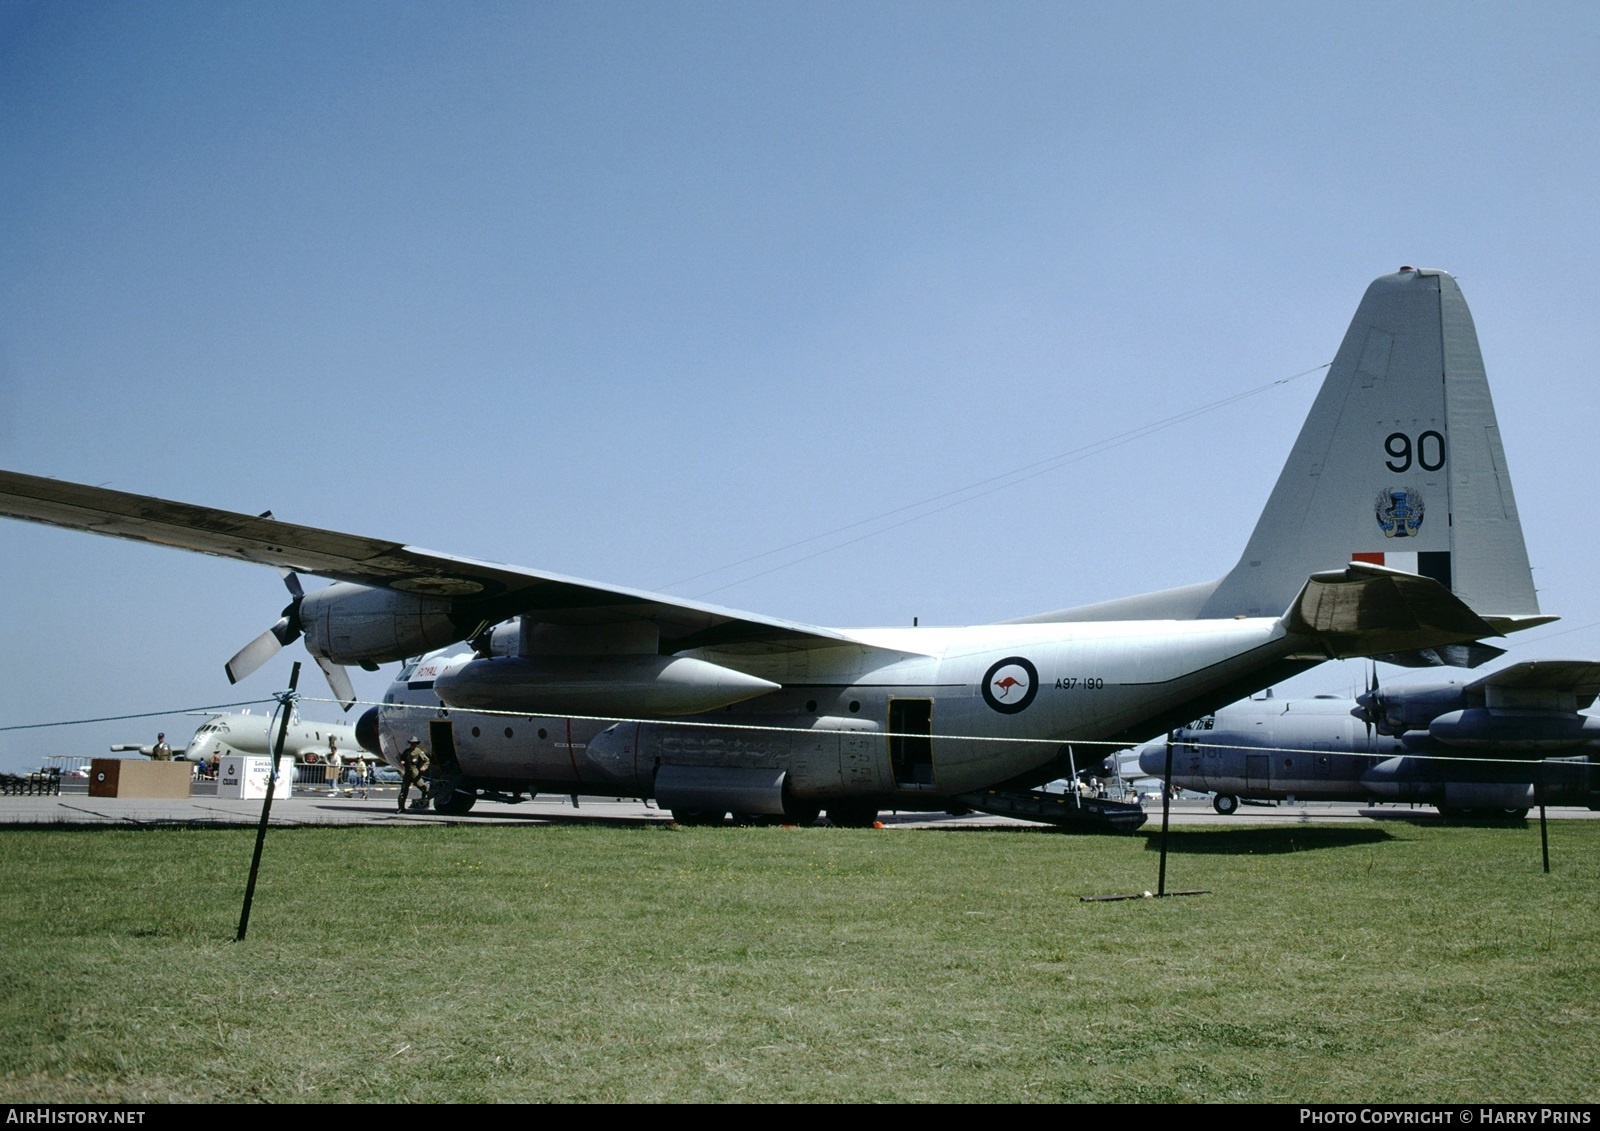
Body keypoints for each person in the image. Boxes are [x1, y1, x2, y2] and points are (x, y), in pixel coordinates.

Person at [398, 737, 430, 812]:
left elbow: (427, 760)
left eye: (414, 743)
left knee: (423, 787)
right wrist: (402, 761)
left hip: (415, 772)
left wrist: (424, 767)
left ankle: (424, 798)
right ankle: (401, 808)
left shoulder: (418, 751)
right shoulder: (406, 751)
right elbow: (402, 757)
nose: (413, 744)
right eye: (411, 743)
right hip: (407, 773)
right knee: (403, 791)